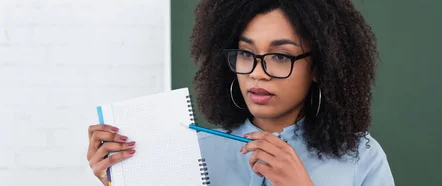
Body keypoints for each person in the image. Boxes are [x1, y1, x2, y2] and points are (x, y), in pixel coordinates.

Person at [86, 0, 395, 185]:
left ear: (318, 67)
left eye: (280, 56)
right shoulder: (192, 152)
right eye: (247, 54)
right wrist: (121, 179)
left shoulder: (360, 157)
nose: (257, 72)